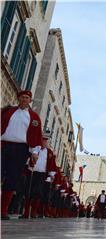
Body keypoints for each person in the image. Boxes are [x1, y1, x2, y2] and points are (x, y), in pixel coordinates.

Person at [1, 90, 43, 220]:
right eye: (22, 97)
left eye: (27, 98)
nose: (24, 100)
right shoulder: (7, 112)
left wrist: (35, 153)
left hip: (21, 149)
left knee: (12, 179)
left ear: (30, 101)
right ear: (18, 98)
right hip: (3, 145)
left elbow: (36, 137)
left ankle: (3, 210)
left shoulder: (34, 117)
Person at [19, 134, 57, 219]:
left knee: (38, 193)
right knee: (28, 192)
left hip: (42, 174)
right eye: (43, 140)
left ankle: (33, 212)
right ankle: (25, 213)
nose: (44, 142)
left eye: (45, 141)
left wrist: (51, 174)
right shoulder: (35, 149)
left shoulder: (49, 152)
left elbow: (52, 164)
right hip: (32, 172)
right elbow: (27, 157)